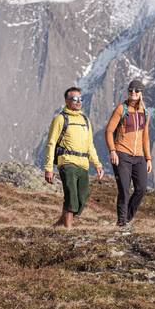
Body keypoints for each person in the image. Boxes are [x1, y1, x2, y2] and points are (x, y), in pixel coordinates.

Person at [44, 86, 104, 228]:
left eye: (80, 99)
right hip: (67, 163)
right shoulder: (60, 119)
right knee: (71, 196)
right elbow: (51, 143)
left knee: (81, 199)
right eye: (74, 99)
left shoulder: (85, 120)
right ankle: (68, 230)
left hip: (83, 165)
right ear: (67, 101)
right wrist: (48, 168)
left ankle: (60, 223)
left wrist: (97, 164)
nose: (78, 102)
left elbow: (90, 145)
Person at [105, 80, 152, 228]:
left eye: (136, 91)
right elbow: (109, 131)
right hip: (122, 154)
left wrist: (148, 158)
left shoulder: (145, 112)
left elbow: (145, 137)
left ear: (141, 94)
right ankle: (121, 222)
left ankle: (127, 218)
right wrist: (113, 150)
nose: (133, 93)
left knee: (141, 189)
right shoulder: (121, 109)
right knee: (124, 190)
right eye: (131, 90)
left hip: (139, 157)